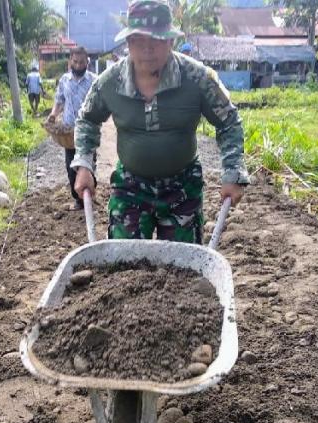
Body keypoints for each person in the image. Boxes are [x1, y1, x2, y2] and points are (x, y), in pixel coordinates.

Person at [70, 0, 247, 244]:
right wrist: (84, 165)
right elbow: (88, 119)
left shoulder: (197, 79)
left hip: (182, 187)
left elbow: (229, 122)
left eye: (156, 41)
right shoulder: (109, 83)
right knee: (124, 263)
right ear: (128, 42)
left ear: (170, 41)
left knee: (184, 268)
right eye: (139, 41)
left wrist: (233, 172)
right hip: (131, 186)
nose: (147, 49)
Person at [48, 47, 97, 211]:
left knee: (88, 166)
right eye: (75, 62)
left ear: (87, 62)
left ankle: (89, 196)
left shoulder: (94, 81)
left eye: (81, 62)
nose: (78, 65)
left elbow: (99, 105)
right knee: (71, 167)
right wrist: (53, 115)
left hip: (87, 132)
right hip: (68, 133)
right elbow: (59, 100)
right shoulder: (64, 80)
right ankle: (79, 200)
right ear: (70, 61)